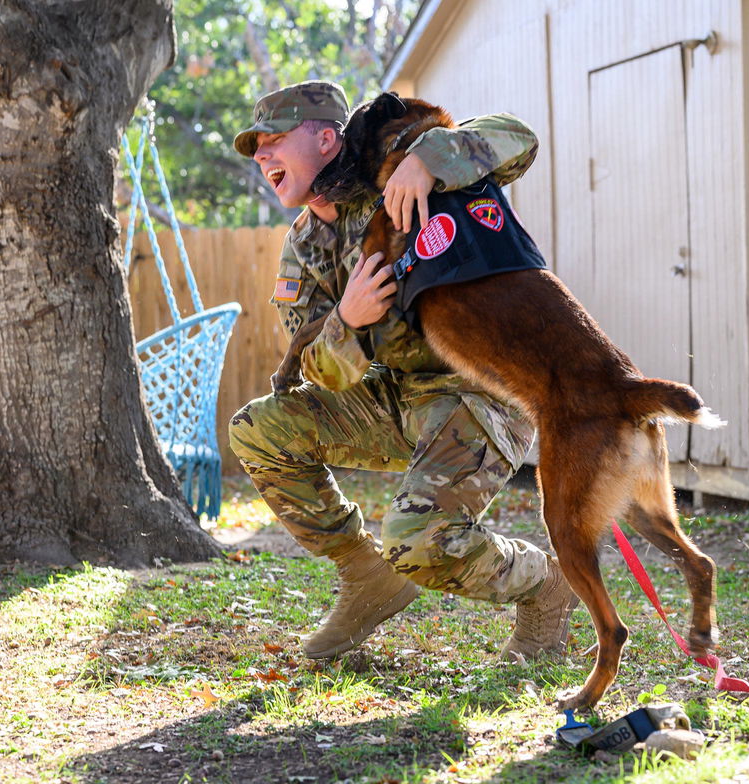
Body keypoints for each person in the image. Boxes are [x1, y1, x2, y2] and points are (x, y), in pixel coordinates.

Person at [228, 80, 577, 662]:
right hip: (394, 394)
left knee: (418, 544)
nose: (262, 155)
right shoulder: (303, 245)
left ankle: (546, 584)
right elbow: (320, 370)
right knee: (257, 429)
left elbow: (519, 138)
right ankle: (365, 574)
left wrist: (428, 159)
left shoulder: (395, 171)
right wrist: (349, 319)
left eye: (274, 140)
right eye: (256, 147)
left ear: (324, 137)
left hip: (478, 393)